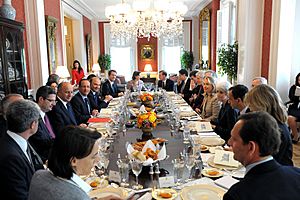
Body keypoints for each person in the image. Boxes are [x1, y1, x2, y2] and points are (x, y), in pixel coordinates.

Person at [28, 126, 121, 200]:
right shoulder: (77, 196)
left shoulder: (38, 175)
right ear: (73, 161)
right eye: (93, 156)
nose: (98, 159)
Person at [224, 111, 300, 200]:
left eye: (234, 139)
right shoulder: (297, 174)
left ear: (251, 147)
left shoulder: (237, 194)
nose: (229, 142)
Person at [0, 100, 44, 200]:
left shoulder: (16, 139)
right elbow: (20, 195)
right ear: (33, 125)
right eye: (38, 120)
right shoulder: (10, 157)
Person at [245, 84, 293, 166]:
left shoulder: (277, 130)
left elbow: (267, 161)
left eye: (252, 106)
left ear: (261, 105)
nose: (251, 110)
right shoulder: (270, 124)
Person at [29, 86, 56, 163]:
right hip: (44, 159)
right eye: (51, 101)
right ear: (41, 99)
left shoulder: (46, 114)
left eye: (54, 101)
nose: (54, 104)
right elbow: (43, 141)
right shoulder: (34, 117)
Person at [287, 72, 300, 143]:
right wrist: (297, 96)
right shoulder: (293, 87)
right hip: (295, 107)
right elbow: (291, 98)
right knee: (290, 118)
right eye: (299, 80)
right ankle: (296, 135)